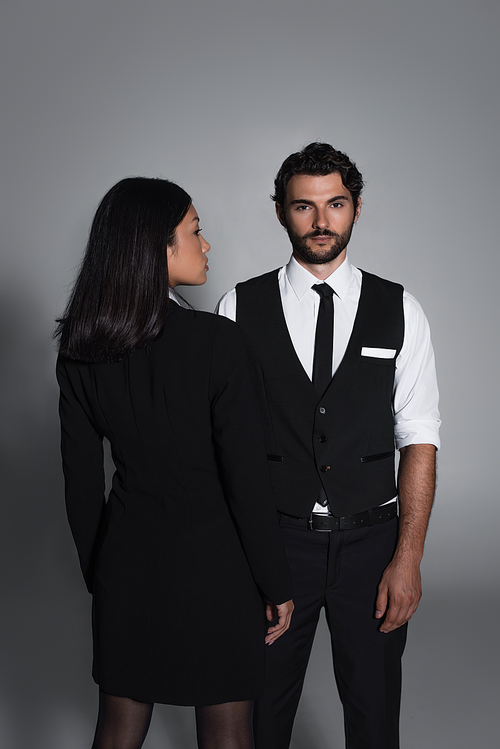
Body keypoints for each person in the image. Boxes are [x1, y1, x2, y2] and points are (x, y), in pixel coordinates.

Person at [54, 177, 294, 749]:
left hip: (128, 568)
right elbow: (246, 479)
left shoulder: (81, 351)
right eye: (195, 231)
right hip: (221, 572)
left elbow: (80, 488)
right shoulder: (219, 342)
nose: (207, 245)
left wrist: (103, 575)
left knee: (118, 729)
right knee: (228, 734)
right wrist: (276, 582)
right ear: (158, 247)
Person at [216, 142, 440, 749]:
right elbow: (225, 447)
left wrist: (408, 557)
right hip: (276, 542)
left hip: (373, 543)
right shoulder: (238, 307)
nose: (321, 222)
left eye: (335, 204)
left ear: (356, 209)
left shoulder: (401, 310)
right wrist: (244, 561)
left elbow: (419, 439)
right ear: (281, 213)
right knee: (259, 718)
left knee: (374, 717)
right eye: (304, 207)